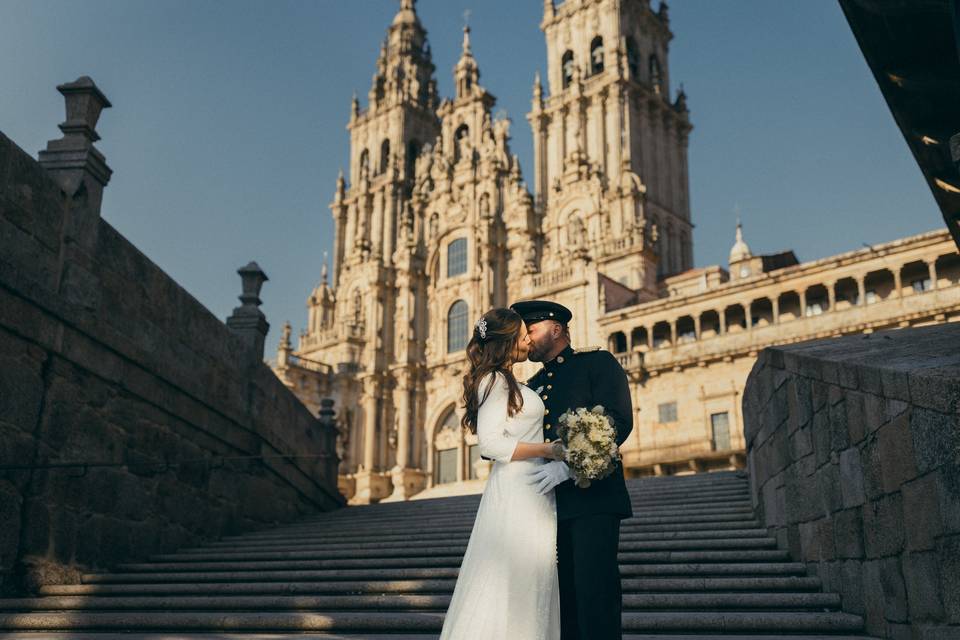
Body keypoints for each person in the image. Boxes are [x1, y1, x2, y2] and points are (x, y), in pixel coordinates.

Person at [439, 307, 564, 640]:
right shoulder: (494, 380)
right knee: (518, 579)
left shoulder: (506, 380)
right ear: (506, 341)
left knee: (528, 580)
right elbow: (492, 443)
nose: (528, 339)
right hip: (518, 492)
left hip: (530, 489)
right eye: (522, 333)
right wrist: (549, 449)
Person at [512, 299, 634, 640]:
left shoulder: (597, 363)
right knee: (560, 601)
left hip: (593, 499)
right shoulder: (532, 386)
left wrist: (570, 467)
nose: (527, 339)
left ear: (556, 328)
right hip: (547, 507)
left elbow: (618, 420)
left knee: (595, 593)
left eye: (531, 330)